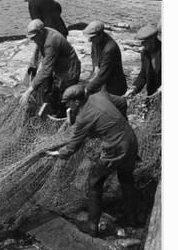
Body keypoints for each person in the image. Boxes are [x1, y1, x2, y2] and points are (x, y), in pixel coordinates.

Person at [47, 84, 140, 237]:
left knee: (94, 182)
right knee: (126, 178)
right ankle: (133, 219)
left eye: (68, 102)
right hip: (130, 138)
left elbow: (73, 145)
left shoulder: (84, 117)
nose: (67, 105)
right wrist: (117, 123)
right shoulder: (100, 95)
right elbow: (122, 102)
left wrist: (57, 153)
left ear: (77, 102)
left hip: (115, 149)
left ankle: (92, 228)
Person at [20, 19, 81, 117]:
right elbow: (40, 57)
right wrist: (34, 71)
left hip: (69, 69)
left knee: (63, 97)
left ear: (40, 32)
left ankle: (63, 118)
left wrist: (29, 90)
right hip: (58, 67)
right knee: (52, 92)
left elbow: (46, 70)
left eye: (34, 37)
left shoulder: (51, 42)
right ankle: (52, 110)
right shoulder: (43, 34)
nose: (32, 40)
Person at [83, 20, 128, 96]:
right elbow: (93, 54)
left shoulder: (110, 49)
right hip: (103, 81)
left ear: (100, 35)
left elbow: (103, 75)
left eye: (92, 38)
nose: (90, 40)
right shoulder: (96, 40)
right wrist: (96, 65)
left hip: (114, 86)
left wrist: (87, 89)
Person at [124, 24, 162, 98]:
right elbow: (143, 75)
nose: (142, 45)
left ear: (153, 39)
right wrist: (134, 88)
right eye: (141, 43)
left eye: (144, 42)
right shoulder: (145, 53)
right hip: (152, 94)